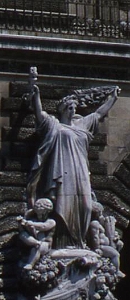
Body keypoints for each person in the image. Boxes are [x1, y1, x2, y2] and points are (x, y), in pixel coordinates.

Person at [27, 80, 119, 250]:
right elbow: (39, 114)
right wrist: (37, 94)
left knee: (85, 205)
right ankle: (62, 245)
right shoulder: (54, 126)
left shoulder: (82, 125)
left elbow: (98, 114)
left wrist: (112, 99)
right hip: (61, 171)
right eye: (70, 107)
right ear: (63, 109)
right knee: (62, 205)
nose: (73, 110)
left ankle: (80, 244)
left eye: (74, 108)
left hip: (81, 172)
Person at [17, 198, 56, 270]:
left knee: (37, 247)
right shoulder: (33, 220)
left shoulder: (51, 221)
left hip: (45, 244)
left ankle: (30, 264)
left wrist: (29, 223)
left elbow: (43, 226)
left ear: (46, 211)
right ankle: (35, 243)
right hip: (33, 241)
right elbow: (25, 229)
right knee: (22, 235)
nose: (38, 210)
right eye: (37, 208)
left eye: (40, 208)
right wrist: (21, 223)